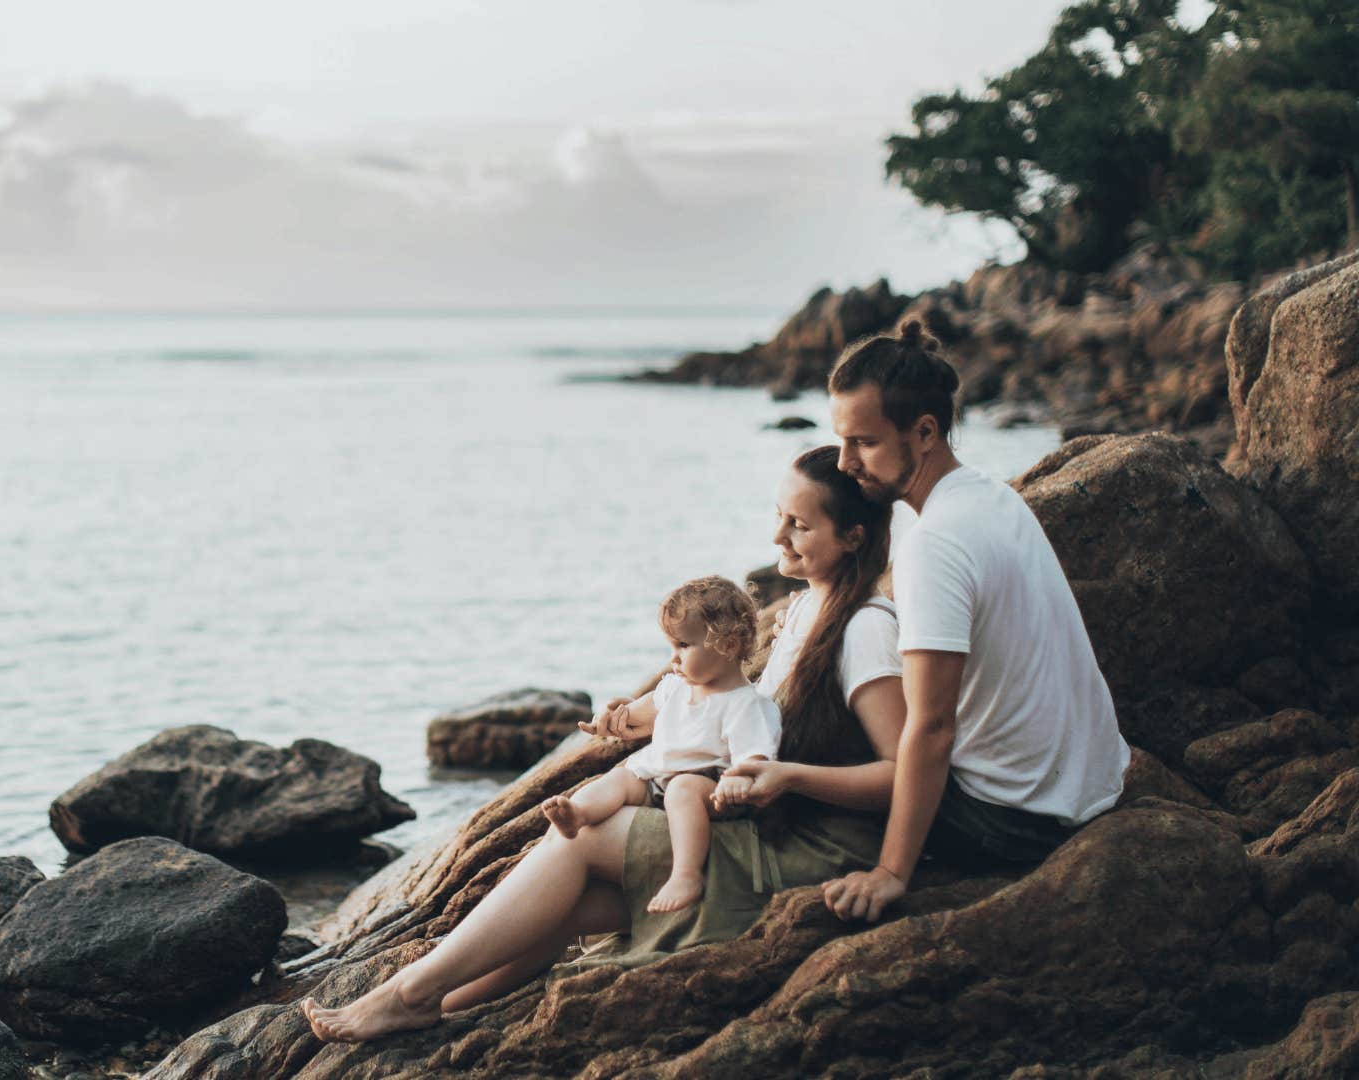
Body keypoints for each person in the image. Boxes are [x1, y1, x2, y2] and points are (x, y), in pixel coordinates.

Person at [302, 445, 905, 1042]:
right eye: (779, 514)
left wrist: (790, 778)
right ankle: (446, 1002)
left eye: (799, 524)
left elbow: (903, 777)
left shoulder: (866, 630)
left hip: (810, 847)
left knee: (581, 837)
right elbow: (740, 707)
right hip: (762, 820)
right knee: (580, 900)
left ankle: (408, 993)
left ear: (852, 536)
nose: (778, 535)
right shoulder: (803, 608)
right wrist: (650, 720)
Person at [817, 317, 1130, 925]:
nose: (844, 462)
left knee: (830, 729)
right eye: (841, 440)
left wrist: (891, 873)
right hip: (1093, 789)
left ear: (925, 431)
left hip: (1017, 821)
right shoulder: (989, 495)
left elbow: (932, 729)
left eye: (865, 442)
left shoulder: (933, 544)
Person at [539, 575, 781, 915]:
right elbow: (636, 712)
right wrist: (607, 720)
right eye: (671, 647)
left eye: (683, 646)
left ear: (727, 646)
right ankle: (579, 814)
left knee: (683, 788)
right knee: (622, 777)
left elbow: (755, 756)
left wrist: (739, 780)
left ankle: (686, 875)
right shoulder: (676, 687)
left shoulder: (746, 704)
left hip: (710, 790)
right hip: (658, 781)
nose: (674, 660)